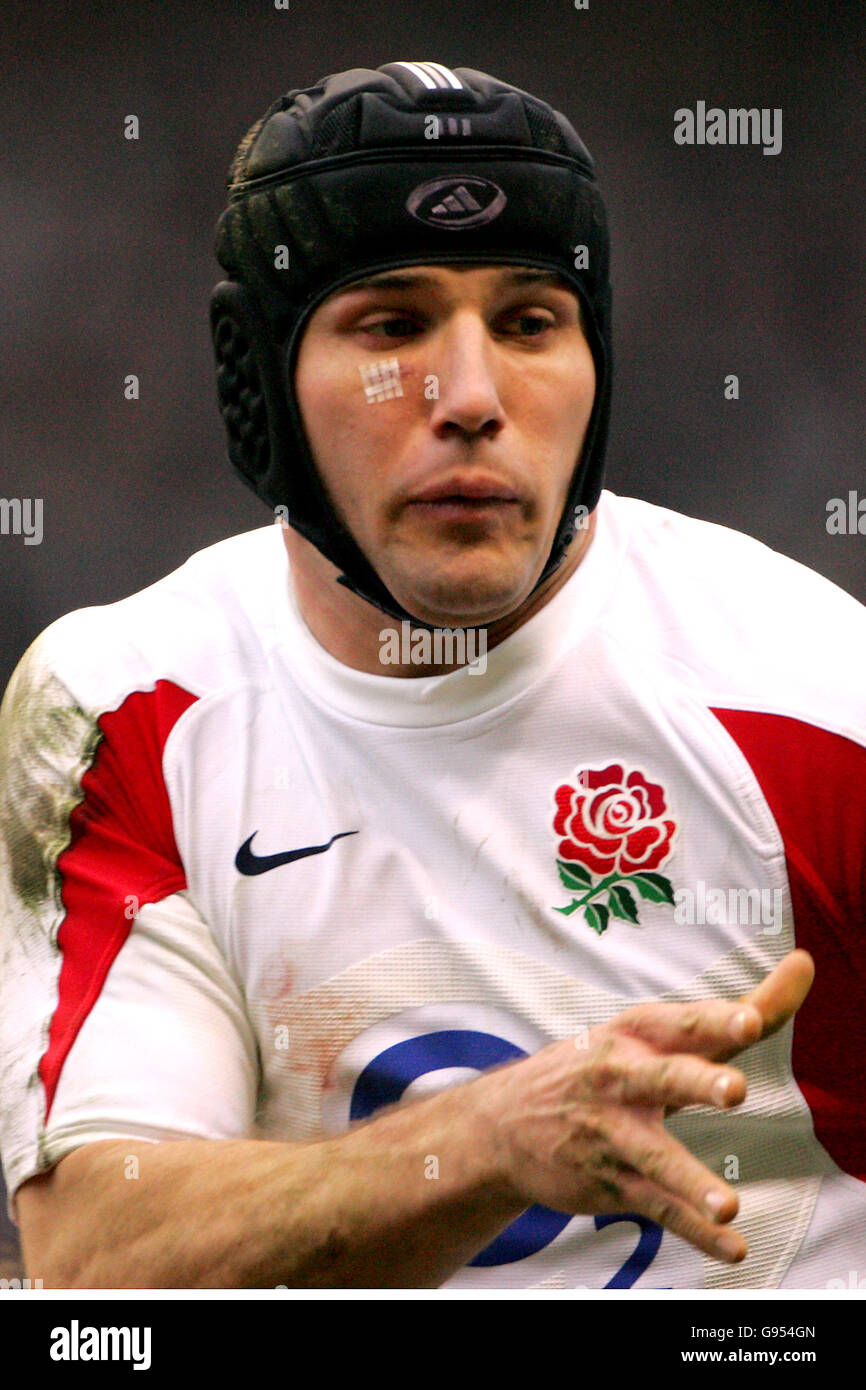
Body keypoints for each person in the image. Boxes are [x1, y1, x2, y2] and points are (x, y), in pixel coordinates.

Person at [0, 60, 862, 1292]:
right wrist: (490, 1141)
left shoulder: (816, 702)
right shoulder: (130, 708)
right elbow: (102, 1256)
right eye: (390, 325)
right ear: (262, 391)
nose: (469, 399)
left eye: (528, 324)